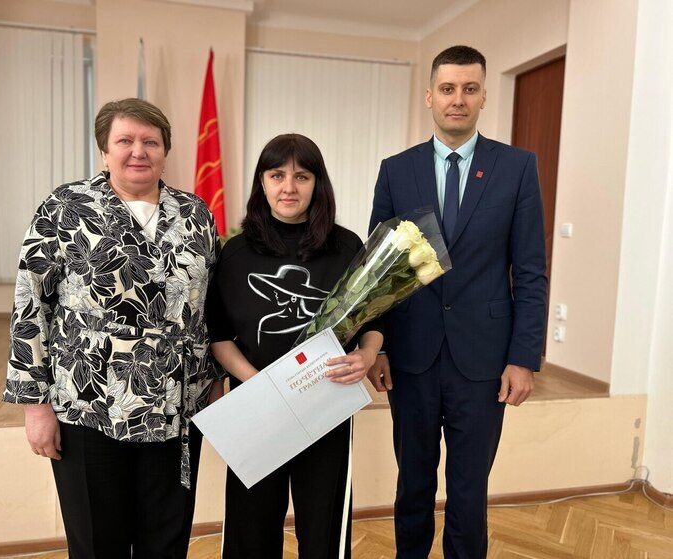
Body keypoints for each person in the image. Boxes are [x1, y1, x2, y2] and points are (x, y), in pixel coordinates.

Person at [2, 98, 223, 559]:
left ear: (165, 152)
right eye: (125, 141)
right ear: (105, 150)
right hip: (89, 406)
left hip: (176, 408)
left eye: (150, 142)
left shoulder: (196, 213)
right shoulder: (65, 207)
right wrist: (35, 407)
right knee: (98, 544)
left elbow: (211, 304)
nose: (138, 151)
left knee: (166, 542)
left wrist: (214, 383)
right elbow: (30, 305)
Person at [367, 46, 548, 558]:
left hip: (484, 360)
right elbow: (379, 270)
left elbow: (530, 271)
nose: (458, 99)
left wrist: (523, 357)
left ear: (484, 96)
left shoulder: (516, 168)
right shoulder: (396, 171)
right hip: (411, 356)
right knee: (413, 483)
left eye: (470, 89)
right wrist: (378, 347)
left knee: (469, 491)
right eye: (447, 89)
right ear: (430, 96)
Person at [205, 133, 384, 559]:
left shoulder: (346, 246)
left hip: (326, 405)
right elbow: (219, 336)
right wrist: (263, 385)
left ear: (317, 183)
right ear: (262, 182)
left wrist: (367, 355)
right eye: (277, 175)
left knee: (323, 528)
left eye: (302, 176)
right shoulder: (236, 252)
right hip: (257, 405)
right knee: (251, 529)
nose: (289, 187)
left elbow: (373, 321)